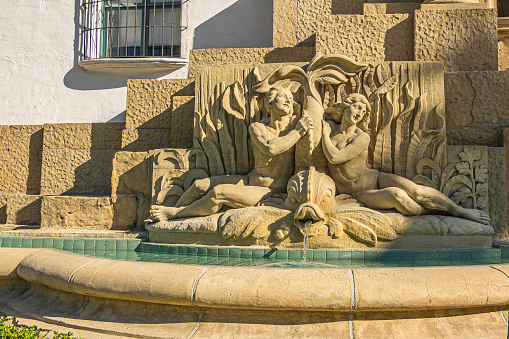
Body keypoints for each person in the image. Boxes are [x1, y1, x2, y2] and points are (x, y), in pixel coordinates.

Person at [150, 86, 313, 221]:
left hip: (272, 189)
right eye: (284, 96)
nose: (288, 101)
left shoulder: (293, 129)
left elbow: (278, 148)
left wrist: (298, 129)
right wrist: (299, 132)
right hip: (251, 179)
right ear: (270, 102)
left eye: (290, 100)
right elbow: (269, 148)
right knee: (199, 185)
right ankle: (172, 215)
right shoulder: (259, 127)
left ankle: (175, 214)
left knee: (218, 192)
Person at [321, 93, 490, 224]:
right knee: (397, 196)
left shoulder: (361, 137)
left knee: (417, 191)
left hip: (375, 178)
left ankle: (461, 211)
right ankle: (428, 211)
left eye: (363, 111)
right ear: (345, 107)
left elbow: (335, 157)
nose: (359, 113)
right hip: (359, 193)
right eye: (357, 107)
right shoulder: (331, 130)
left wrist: (323, 133)